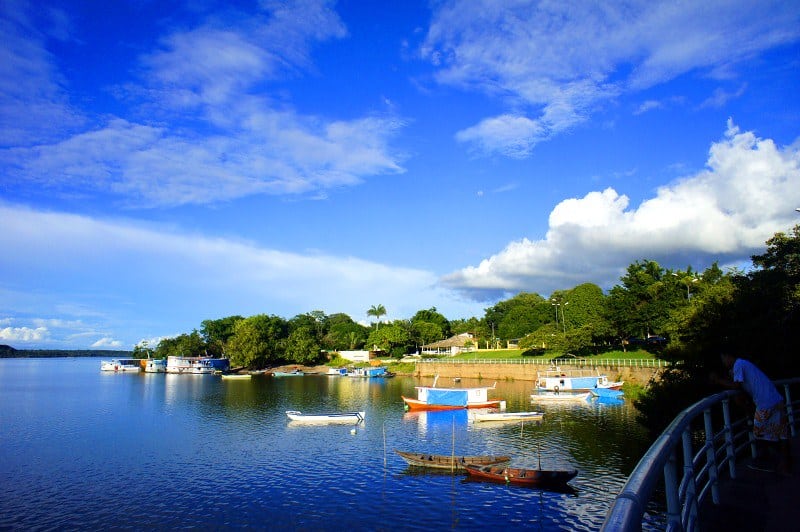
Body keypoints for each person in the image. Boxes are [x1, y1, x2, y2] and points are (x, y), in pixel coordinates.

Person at [711, 351, 791, 475]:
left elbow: (736, 386)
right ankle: (784, 463)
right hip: (775, 399)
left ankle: (771, 460)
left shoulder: (738, 364)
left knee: (759, 432)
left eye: (723, 359)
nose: (723, 363)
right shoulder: (744, 364)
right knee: (780, 432)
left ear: (728, 356)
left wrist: (718, 380)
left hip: (765, 403)